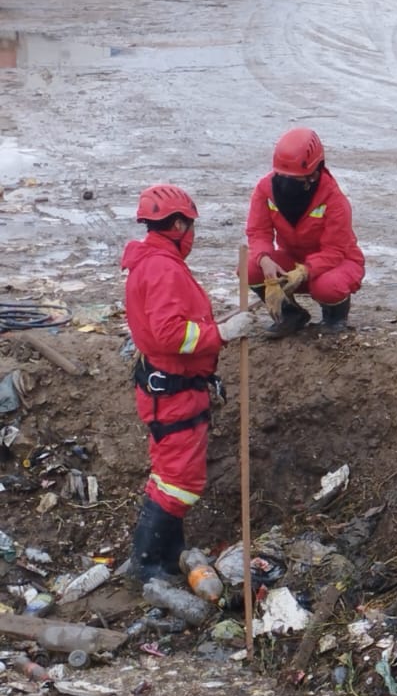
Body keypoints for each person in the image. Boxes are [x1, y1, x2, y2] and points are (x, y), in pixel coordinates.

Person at [122, 184, 265, 583]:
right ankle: (147, 566)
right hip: (174, 391)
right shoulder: (163, 267)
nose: (194, 237)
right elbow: (170, 334)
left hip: (170, 387)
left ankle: (168, 558)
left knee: (170, 475)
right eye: (192, 228)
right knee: (179, 482)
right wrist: (221, 334)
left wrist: (213, 326)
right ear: (180, 225)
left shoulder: (153, 261)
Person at [246, 127, 366, 336]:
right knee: (250, 268)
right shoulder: (265, 189)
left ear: (314, 174)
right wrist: (265, 260)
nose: (286, 185)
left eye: (295, 180)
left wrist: (303, 272)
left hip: (336, 263)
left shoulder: (333, 199)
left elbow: (334, 251)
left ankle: (334, 318)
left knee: (327, 286)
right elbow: (258, 232)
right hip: (292, 258)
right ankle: (290, 315)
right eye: (282, 177)